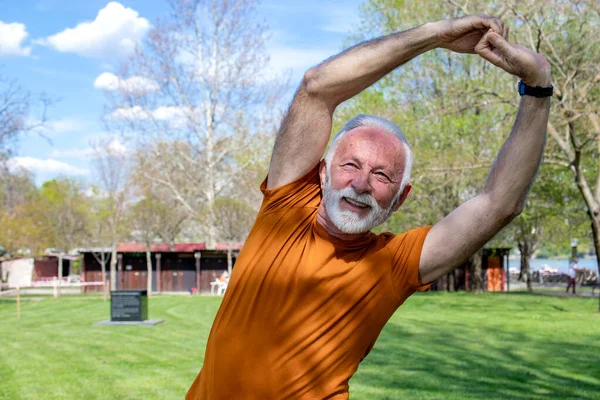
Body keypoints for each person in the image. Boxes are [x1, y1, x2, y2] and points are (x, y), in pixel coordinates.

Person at [187, 14, 551, 399]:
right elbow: (316, 88)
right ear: (324, 172)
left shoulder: (393, 265)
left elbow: (499, 204)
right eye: (350, 165)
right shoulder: (286, 206)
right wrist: (433, 36)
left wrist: (538, 86)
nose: (361, 184)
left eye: (382, 175)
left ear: (400, 198)